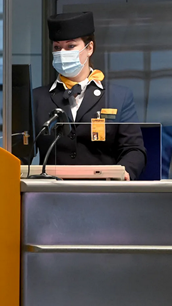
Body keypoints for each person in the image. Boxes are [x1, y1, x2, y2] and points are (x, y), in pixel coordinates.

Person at [33, 11, 147, 180]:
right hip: (51, 191)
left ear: (89, 48)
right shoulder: (37, 98)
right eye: (57, 47)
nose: (62, 53)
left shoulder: (118, 97)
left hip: (103, 189)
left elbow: (134, 149)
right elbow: (21, 151)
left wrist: (123, 173)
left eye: (70, 46)